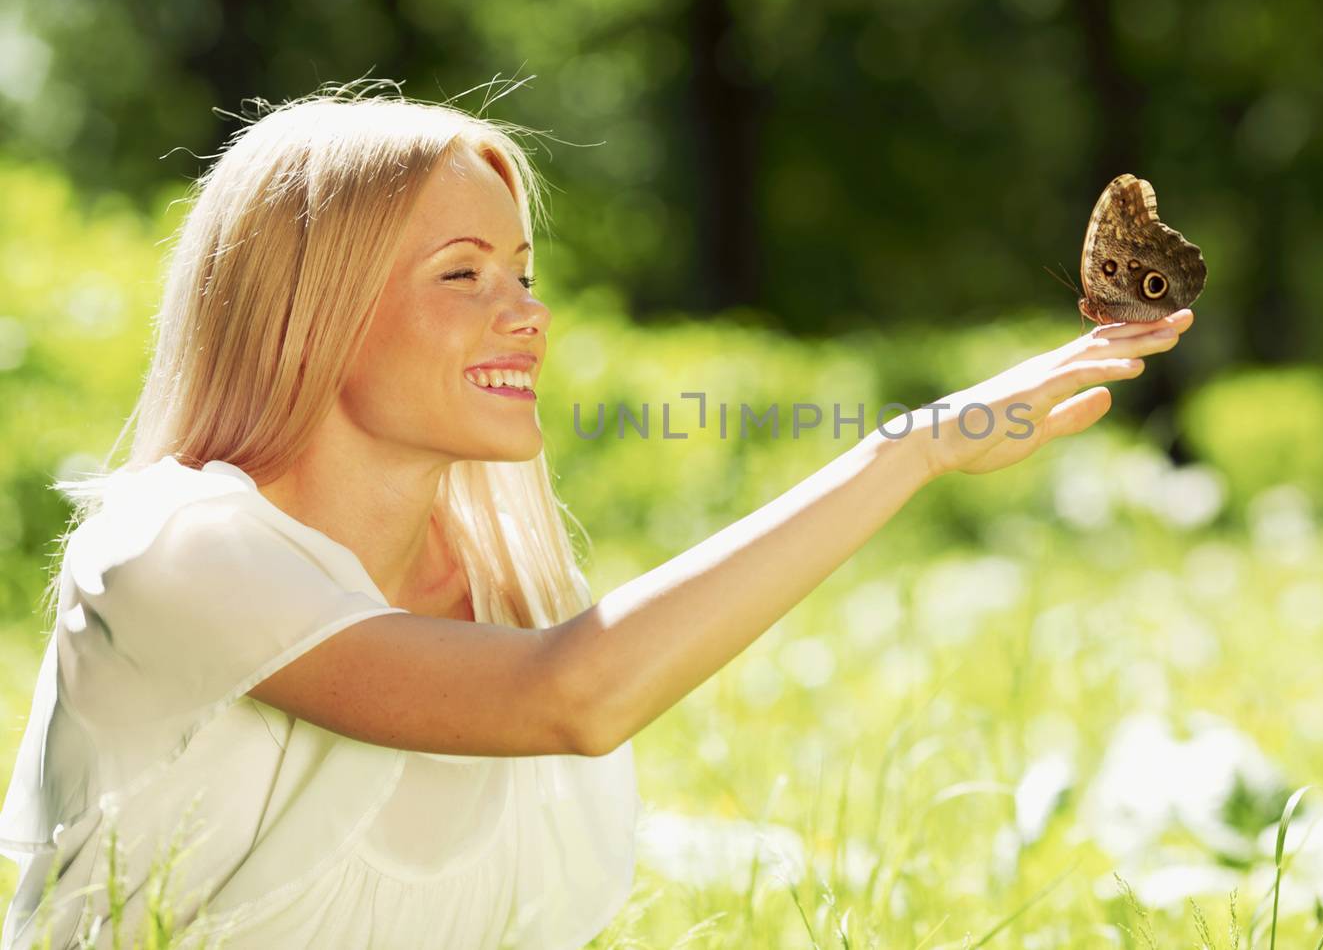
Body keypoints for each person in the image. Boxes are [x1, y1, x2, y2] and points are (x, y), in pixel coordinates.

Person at [0, 82, 1192, 949]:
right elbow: (567, 697)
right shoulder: (170, 545)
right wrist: (909, 450)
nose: (524, 311)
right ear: (305, 311)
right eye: (461, 274)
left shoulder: (511, 586)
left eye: (522, 271)